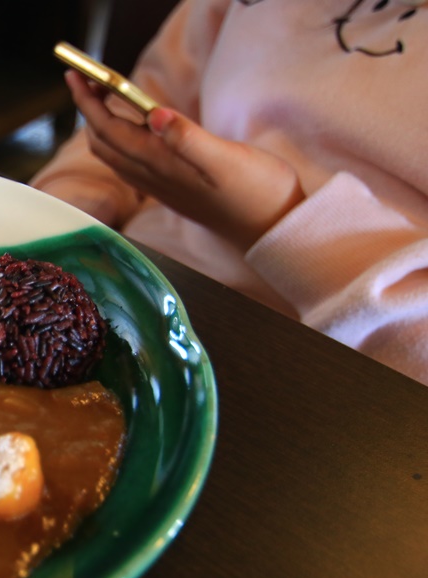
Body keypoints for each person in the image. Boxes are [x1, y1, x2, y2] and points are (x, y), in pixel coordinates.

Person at [30, 0, 428, 386]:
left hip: (322, 377)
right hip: (126, 285)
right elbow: (140, 106)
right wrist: (58, 211)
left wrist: (273, 219)